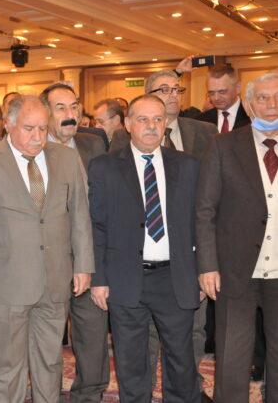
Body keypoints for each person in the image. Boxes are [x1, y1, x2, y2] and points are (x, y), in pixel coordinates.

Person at [0, 94, 94, 403]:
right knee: (7, 366)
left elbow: (79, 215)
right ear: (8, 125)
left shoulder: (66, 158)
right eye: (28, 128)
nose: (38, 137)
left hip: (55, 279)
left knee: (50, 362)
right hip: (5, 282)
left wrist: (83, 265)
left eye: (43, 128)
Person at [89, 94, 201, 403]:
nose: (151, 126)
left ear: (165, 124)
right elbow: (96, 226)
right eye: (142, 119)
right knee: (130, 362)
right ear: (127, 124)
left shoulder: (189, 165)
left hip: (175, 277)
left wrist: (202, 272)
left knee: (182, 359)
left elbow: (201, 223)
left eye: (157, 120)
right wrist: (99, 278)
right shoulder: (103, 167)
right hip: (125, 277)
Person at [197, 72, 278, 402]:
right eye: (263, 97)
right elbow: (205, 209)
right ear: (248, 103)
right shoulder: (223, 145)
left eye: (277, 97)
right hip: (234, 270)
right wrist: (207, 265)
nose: (272, 104)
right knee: (232, 355)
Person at [40, 82, 109, 402]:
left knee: (93, 334)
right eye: (61, 108)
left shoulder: (94, 144)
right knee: (48, 337)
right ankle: (47, 393)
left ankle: (90, 394)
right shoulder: (33, 148)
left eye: (74, 106)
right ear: (45, 113)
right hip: (48, 260)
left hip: (90, 256)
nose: (70, 114)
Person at [195, 64, 250, 132]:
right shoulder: (201, 121)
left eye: (222, 92)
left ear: (238, 88)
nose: (216, 98)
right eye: (211, 93)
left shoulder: (253, 116)